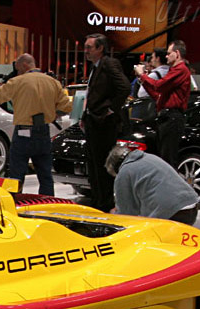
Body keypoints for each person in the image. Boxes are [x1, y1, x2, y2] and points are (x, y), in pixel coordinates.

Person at [0, 53, 73, 197]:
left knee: (16, 175)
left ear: (24, 65)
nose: (18, 72)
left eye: (18, 69)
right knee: (46, 175)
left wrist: (0, 85)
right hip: (44, 132)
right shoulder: (53, 82)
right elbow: (66, 106)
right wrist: (53, 115)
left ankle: (14, 206)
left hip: (23, 133)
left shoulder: (17, 81)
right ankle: (47, 206)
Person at [80, 33, 130, 211]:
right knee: (93, 165)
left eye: (89, 47)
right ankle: (97, 200)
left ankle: (105, 203)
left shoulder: (109, 64)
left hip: (104, 124)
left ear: (100, 48)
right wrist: (85, 116)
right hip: (93, 121)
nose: (85, 51)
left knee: (102, 165)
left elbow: (124, 87)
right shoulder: (95, 66)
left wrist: (109, 110)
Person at [105, 145, 200, 225]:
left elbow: (126, 215)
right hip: (191, 205)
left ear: (116, 167)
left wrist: (114, 214)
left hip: (171, 214)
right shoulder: (150, 157)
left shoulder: (124, 172)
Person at [134, 40, 191, 169]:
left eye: (168, 53)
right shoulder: (175, 70)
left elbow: (158, 86)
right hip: (166, 118)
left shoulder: (181, 70)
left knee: (167, 159)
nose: (166, 56)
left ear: (176, 54)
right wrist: (143, 81)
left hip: (172, 118)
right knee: (163, 157)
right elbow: (157, 96)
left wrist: (143, 75)